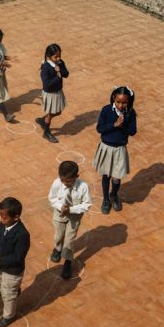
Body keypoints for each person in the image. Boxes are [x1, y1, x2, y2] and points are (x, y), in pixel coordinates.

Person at [93, 86, 138, 214]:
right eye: (118, 102)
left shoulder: (130, 113)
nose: (121, 105)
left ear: (128, 101)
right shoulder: (106, 110)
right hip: (106, 148)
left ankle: (113, 194)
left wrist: (122, 126)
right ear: (114, 98)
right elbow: (100, 128)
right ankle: (106, 199)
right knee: (106, 175)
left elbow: (133, 131)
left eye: (124, 102)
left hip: (119, 150)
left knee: (117, 178)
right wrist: (114, 125)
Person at [0, 197, 30, 327]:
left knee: (7, 295)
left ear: (16, 217)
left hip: (13, 271)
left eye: (4, 218)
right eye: (0, 217)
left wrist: (0, 261)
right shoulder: (3, 224)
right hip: (0, 265)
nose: (1, 221)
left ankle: (9, 315)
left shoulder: (23, 235)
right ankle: (14, 292)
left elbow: (18, 257)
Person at [48, 161, 91, 279]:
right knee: (58, 235)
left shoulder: (83, 187)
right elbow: (52, 198)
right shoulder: (57, 183)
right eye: (63, 180)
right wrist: (60, 207)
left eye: (69, 181)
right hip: (59, 214)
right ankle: (57, 249)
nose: (65, 183)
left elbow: (87, 205)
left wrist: (71, 209)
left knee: (70, 239)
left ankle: (67, 261)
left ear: (76, 176)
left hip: (74, 216)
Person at [36, 44, 69, 143]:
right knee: (52, 113)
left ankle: (44, 119)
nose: (58, 58)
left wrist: (60, 70)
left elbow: (66, 74)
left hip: (58, 91)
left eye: (59, 56)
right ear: (49, 56)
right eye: (56, 57)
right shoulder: (45, 68)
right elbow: (47, 84)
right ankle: (46, 132)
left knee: (58, 111)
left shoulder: (60, 62)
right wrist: (58, 76)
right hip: (50, 94)